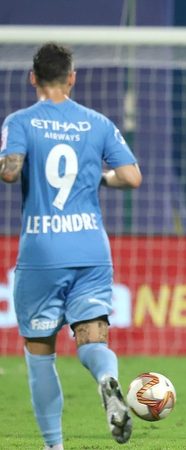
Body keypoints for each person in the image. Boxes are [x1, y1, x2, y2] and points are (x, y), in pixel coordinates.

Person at [0, 42, 142, 448]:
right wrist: (100, 177)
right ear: (72, 78)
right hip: (91, 249)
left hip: (42, 251)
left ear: (33, 78)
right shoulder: (97, 123)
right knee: (93, 339)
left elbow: (10, 172)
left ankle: (54, 445)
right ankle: (107, 379)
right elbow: (131, 177)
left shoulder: (20, 121)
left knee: (40, 353)